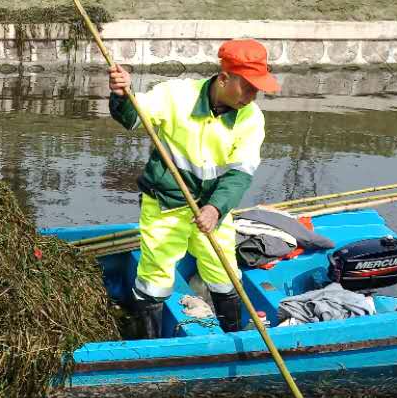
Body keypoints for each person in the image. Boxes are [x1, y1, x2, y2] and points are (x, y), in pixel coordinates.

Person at [107, 38, 277, 340]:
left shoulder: (252, 119)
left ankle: (235, 336)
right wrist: (122, 95)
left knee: (223, 272)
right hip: (166, 203)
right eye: (248, 86)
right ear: (224, 78)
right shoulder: (176, 96)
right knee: (155, 275)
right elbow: (132, 117)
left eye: (258, 88)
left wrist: (215, 208)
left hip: (214, 207)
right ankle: (150, 346)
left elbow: (240, 174)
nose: (253, 96)